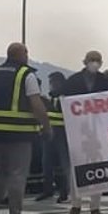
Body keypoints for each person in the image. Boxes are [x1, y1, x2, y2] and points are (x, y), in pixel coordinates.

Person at [0, 42, 48, 214]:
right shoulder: (26, 74)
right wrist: (46, 125)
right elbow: (36, 102)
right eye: (26, 52)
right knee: (17, 174)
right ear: (22, 54)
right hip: (19, 132)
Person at [58, 52, 108, 214]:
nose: (94, 63)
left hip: (98, 130)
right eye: (92, 60)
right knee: (76, 168)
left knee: (98, 169)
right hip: (78, 130)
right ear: (85, 61)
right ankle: (75, 205)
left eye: (97, 61)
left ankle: (95, 208)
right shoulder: (73, 80)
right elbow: (63, 101)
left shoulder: (105, 82)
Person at [41, 69, 70, 205]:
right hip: (49, 133)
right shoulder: (50, 98)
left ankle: (65, 191)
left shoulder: (66, 98)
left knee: (64, 163)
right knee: (47, 162)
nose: (51, 85)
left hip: (62, 133)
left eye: (53, 82)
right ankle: (47, 189)